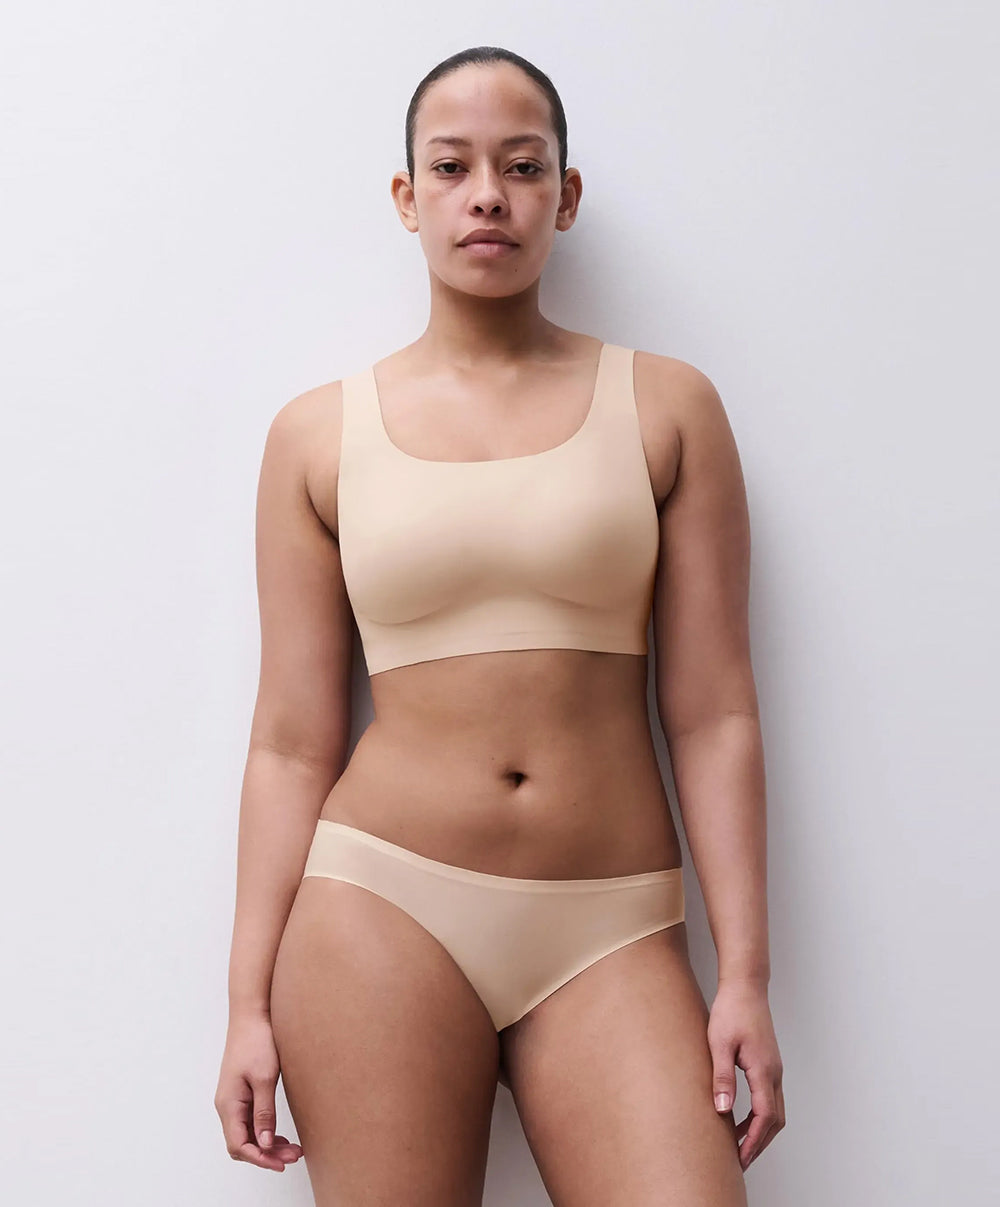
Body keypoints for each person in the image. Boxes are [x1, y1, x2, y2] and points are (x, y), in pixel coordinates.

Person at [213, 44, 784, 1206]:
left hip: (611, 923)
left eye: (522, 167)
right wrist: (244, 1004)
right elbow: (289, 740)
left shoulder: (668, 407)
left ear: (563, 197)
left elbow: (713, 713)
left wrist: (746, 977)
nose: (487, 194)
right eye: (452, 166)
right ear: (407, 196)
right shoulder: (316, 437)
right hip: (380, 909)